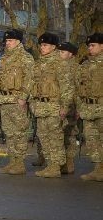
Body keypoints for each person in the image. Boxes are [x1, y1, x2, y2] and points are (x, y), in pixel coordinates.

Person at [29, 33, 74, 178]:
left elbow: (67, 87)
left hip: (54, 106)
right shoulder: (38, 63)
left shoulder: (60, 63)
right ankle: (50, 164)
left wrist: (64, 107)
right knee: (43, 137)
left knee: (55, 137)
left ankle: (56, 166)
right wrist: (32, 103)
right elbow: (32, 85)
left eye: (45, 45)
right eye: (41, 45)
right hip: (40, 107)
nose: (42, 48)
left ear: (54, 47)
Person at [0, 29, 35, 175]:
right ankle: (12, 161)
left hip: (17, 99)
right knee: (9, 133)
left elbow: (30, 79)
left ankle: (19, 163)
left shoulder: (25, 57)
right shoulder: (3, 58)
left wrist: (23, 97)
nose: (7, 43)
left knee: (19, 132)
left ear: (18, 41)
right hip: (4, 99)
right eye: (6, 41)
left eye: (10, 40)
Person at [78, 33, 103, 181]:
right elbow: (80, 87)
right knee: (92, 140)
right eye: (89, 45)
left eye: (93, 45)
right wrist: (81, 107)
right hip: (88, 108)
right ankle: (98, 169)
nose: (90, 48)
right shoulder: (85, 64)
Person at [58, 42, 80, 174]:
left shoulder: (76, 68)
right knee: (60, 134)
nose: (59, 54)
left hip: (72, 105)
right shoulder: (60, 67)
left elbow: (78, 89)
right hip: (60, 104)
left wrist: (78, 108)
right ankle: (62, 162)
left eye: (62, 52)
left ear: (70, 54)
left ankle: (69, 162)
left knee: (70, 134)